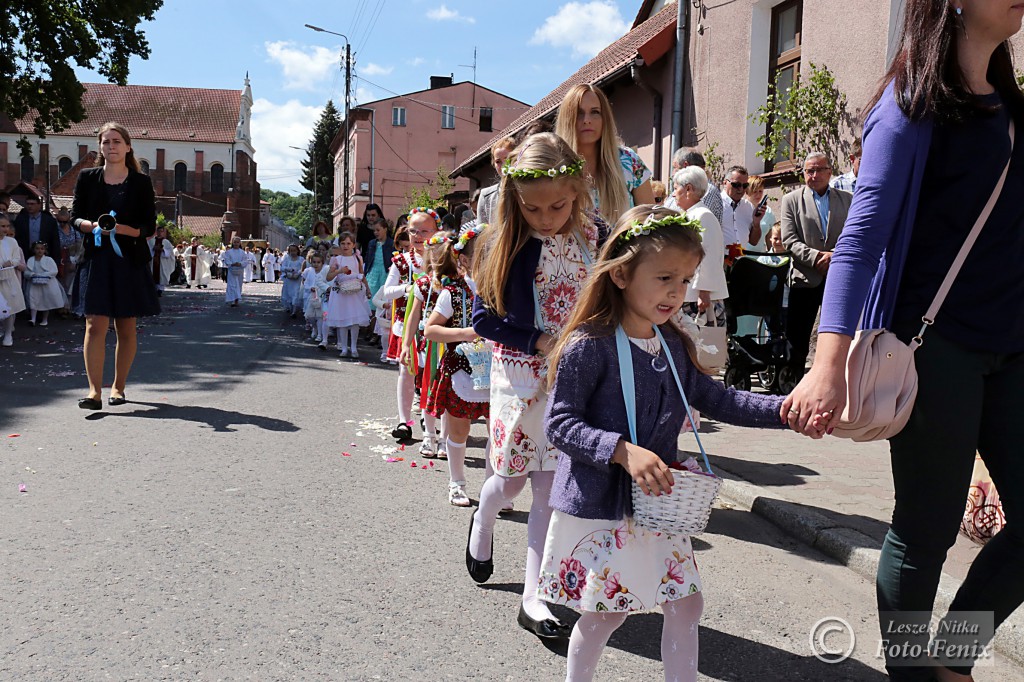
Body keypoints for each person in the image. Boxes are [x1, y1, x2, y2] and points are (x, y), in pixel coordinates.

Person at [785, 3, 1024, 680]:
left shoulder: (1011, 105)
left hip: (1012, 346)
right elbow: (859, 244)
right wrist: (827, 366)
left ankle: (951, 659)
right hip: (935, 345)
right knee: (926, 527)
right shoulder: (910, 103)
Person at [540, 205, 789, 682]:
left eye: (686, 279)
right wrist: (621, 450)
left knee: (686, 604)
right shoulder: (588, 345)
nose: (678, 291)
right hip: (605, 505)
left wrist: (784, 411)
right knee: (608, 612)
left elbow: (716, 397)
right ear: (621, 275)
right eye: (665, 278)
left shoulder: (672, 342)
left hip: (658, 503)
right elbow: (560, 424)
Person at [470, 132, 597, 640]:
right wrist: (539, 339)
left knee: (549, 486)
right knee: (512, 481)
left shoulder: (593, 234)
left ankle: (534, 596)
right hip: (521, 377)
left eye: (558, 206)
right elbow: (484, 319)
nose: (546, 217)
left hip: (573, 377)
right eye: (534, 207)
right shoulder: (505, 242)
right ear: (515, 199)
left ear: (577, 191)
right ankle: (484, 514)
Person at [71, 121, 160, 409]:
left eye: (116, 142)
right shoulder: (87, 178)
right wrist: (90, 225)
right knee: (94, 325)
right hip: (96, 258)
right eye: (106, 142)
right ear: (100, 147)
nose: (111, 147)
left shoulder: (140, 182)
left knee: (126, 327)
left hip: (129, 260)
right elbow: (74, 216)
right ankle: (94, 392)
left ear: (128, 146)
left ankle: (118, 387)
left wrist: (124, 230)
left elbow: (149, 226)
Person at [423, 230, 487, 507]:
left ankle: (493, 488)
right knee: (459, 431)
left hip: (498, 370)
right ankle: (457, 482)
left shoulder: (504, 291)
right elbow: (431, 330)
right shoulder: (453, 292)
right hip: (462, 368)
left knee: (498, 432)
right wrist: (465, 333)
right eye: (481, 254)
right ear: (463, 260)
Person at [779, 152, 852, 378]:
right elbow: (789, 240)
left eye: (819, 169)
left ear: (830, 172)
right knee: (797, 339)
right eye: (809, 170)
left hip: (838, 278)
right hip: (805, 278)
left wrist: (834, 257)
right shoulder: (791, 200)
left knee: (840, 335)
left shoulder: (848, 199)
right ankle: (792, 386)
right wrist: (817, 257)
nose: (814, 175)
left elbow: (853, 235)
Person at [377, 209, 440, 438]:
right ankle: (404, 421)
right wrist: (409, 288)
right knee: (406, 372)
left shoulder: (442, 261)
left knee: (432, 373)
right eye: (413, 230)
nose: (418, 235)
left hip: (435, 327)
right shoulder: (402, 262)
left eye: (425, 231)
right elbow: (387, 292)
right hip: (407, 327)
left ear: (436, 232)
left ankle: (428, 416)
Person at [555, 83, 654, 224]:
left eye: (595, 112)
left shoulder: (629, 161)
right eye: (579, 113)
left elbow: (651, 220)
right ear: (567, 119)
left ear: (605, 118)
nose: (587, 120)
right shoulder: (554, 166)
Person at [672, 166, 728, 328]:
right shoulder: (691, 214)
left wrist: (704, 292)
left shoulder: (703, 215)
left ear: (688, 189)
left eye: (676, 188)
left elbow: (707, 255)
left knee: (703, 344)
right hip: (690, 293)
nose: (674, 193)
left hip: (699, 296)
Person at [324, 232, 369, 359]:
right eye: (343, 243)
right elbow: (328, 277)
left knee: (354, 320)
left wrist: (367, 289)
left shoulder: (357, 258)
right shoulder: (336, 259)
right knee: (342, 320)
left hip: (354, 291)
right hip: (341, 292)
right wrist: (339, 271)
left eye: (349, 243)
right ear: (339, 245)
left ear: (353, 245)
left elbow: (361, 274)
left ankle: (354, 347)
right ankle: (344, 347)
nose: (346, 246)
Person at [664, 148, 724, 224]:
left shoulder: (707, 190)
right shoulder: (683, 187)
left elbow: (692, 223)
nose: (673, 173)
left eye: (675, 167)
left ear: (686, 166)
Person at [719, 166, 766, 258]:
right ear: (725, 183)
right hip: (719, 262)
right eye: (736, 185)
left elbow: (753, 242)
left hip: (740, 263)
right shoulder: (716, 203)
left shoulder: (748, 207)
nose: (740, 189)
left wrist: (756, 223)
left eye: (745, 186)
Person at [22, 241, 66, 326]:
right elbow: (26, 272)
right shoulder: (31, 260)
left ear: (45, 250)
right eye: (37, 248)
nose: (39, 251)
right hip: (34, 283)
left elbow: (54, 271)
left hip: (47, 284)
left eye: (42, 249)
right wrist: (32, 274)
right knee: (33, 299)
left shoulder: (49, 260)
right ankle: (33, 319)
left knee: (46, 300)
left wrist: (45, 275)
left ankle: (45, 319)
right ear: (34, 250)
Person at [0, 215, 27, 346]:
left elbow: (17, 259)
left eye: (7, 226)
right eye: (2, 226)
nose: (5, 229)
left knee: (10, 306)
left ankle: (8, 333)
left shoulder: (11, 242)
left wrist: (10, 262)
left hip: (9, 277)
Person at [13, 195, 60, 265]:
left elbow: (55, 240)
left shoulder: (49, 221)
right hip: (25, 254)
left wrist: (56, 259)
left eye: (32, 204)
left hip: (44, 255)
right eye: (28, 204)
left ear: (39, 205)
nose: (29, 206)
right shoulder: (20, 220)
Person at [55, 207, 82, 309]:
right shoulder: (55, 229)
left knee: (70, 284)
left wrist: (75, 260)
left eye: (64, 222)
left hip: (71, 259)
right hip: (60, 258)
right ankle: (61, 307)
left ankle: (68, 307)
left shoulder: (74, 230)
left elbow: (79, 245)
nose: (62, 224)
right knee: (60, 284)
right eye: (59, 221)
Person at [302, 252, 330, 343]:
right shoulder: (309, 271)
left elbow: (327, 282)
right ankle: (314, 328)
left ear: (322, 263)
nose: (316, 264)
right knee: (310, 316)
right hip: (312, 296)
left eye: (318, 262)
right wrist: (310, 288)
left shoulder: (325, 271)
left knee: (320, 316)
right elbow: (305, 283)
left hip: (322, 296)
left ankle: (319, 334)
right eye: (314, 262)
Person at [745, 175, 777, 249]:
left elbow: (770, 239)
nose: (758, 195)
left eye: (760, 191)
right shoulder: (740, 209)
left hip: (760, 258)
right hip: (742, 257)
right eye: (755, 191)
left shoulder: (768, 211)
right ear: (747, 191)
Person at [148, 225, 175, 296]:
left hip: (162, 262)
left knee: (161, 275)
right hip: (153, 261)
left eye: (161, 231)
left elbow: (169, 252)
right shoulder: (151, 241)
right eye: (158, 231)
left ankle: (160, 290)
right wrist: (153, 249)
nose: (160, 233)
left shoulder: (166, 242)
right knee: (152, 274)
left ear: (163, 232)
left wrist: (163, 250)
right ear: (156, 232)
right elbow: (148, 250)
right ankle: (153, 290)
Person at [279, 244, 304, 316]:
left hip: (297, 280)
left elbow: (302, 268)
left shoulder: (301, 259)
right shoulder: (287, 259)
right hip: (289, 280)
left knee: (296, 293)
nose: (293, 252)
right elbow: (282, 268)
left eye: (294, 251)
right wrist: (289, 270)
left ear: (297, 251)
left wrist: (298, 273)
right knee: (289, 293)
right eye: (291, 251)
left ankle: (294, 310)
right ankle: (289, 307)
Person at [222, 236, 246, 307]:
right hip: (231, 271)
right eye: (235, 242)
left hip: (239, 271)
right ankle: (232, 299)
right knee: (232, 285)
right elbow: (227, 260)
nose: (236, 244)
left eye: (237, 242)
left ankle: (236, 300)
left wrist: (240, 264)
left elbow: (245, 261)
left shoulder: (242, 252)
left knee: (238, 285)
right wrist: (232, 264)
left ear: (240, 243)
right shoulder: (229, 252)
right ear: (232, 243)